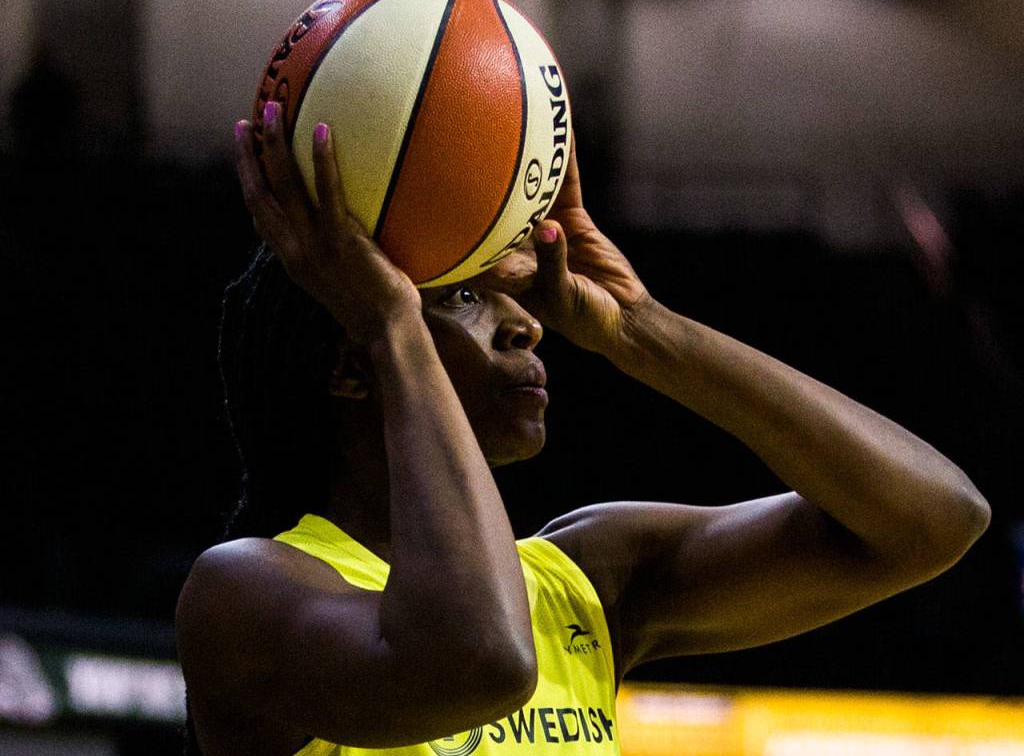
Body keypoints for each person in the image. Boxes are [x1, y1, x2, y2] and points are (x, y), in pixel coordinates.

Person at [176, 100, 990, 756]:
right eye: (460, 298)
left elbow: (934, 520)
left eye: (510, 298)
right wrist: (394, 321)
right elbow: (479, 661)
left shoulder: (582, 579)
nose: (526, 325)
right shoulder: (245, 591)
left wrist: (647, 333)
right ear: (350, 363)